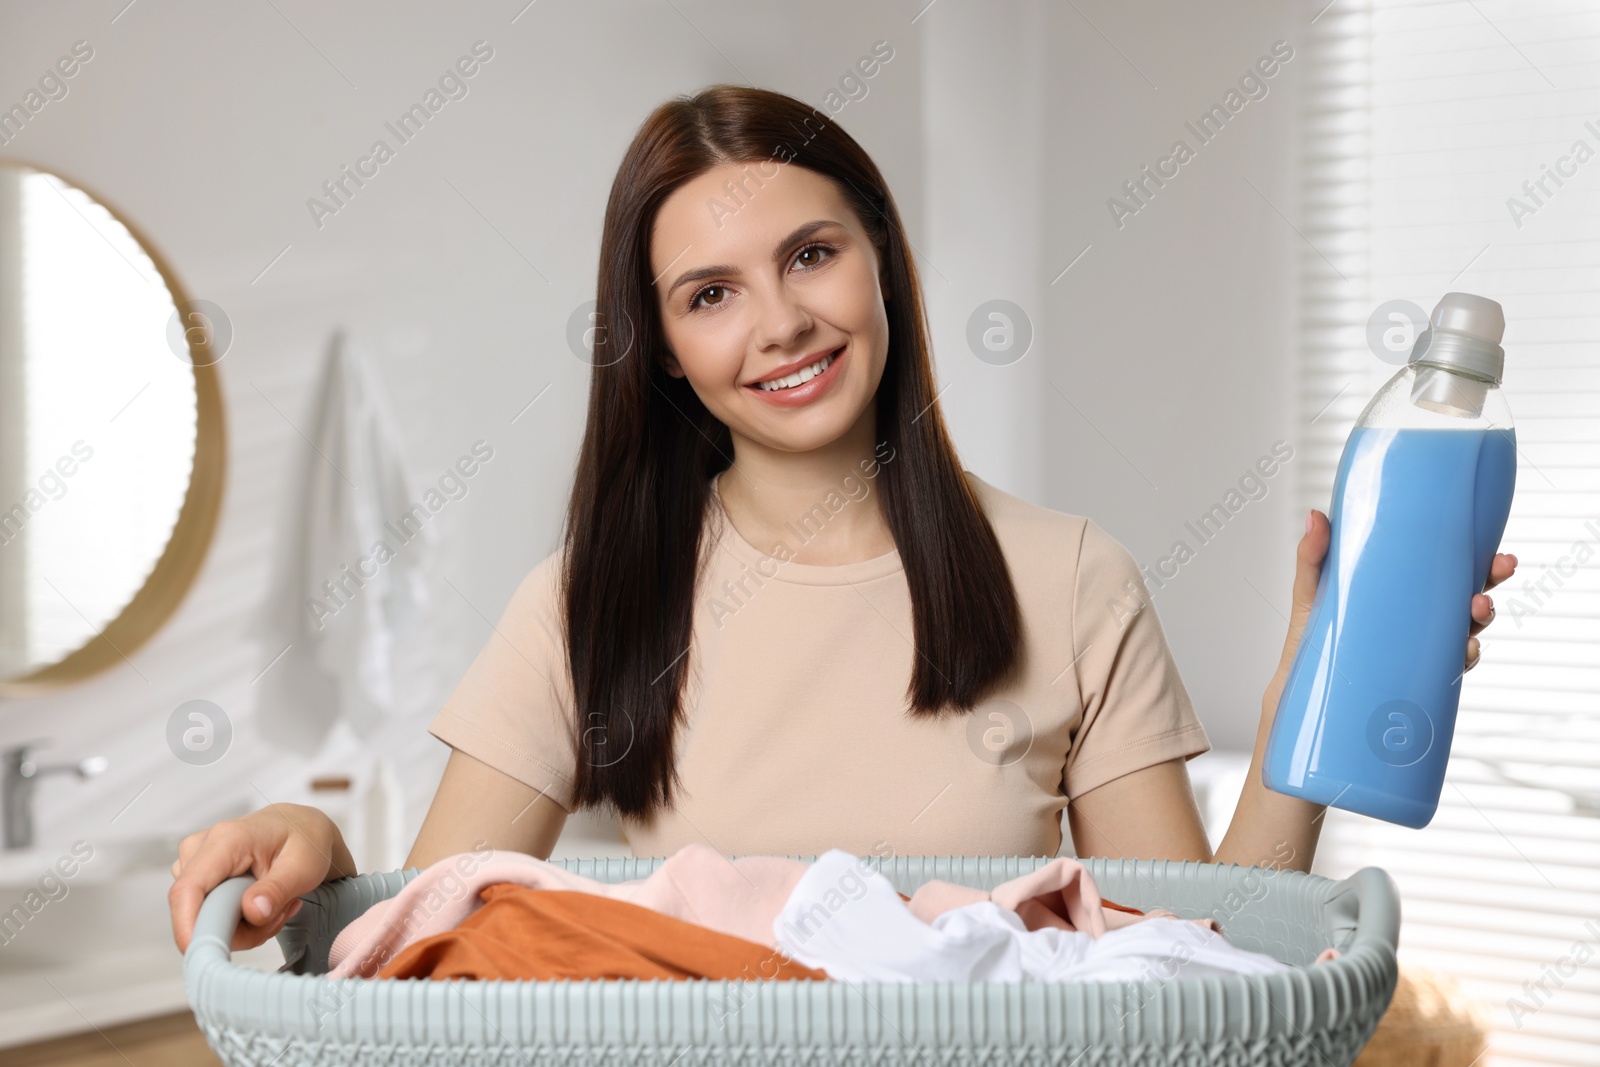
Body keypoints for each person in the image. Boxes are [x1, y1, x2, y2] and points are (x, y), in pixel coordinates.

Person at [168, 85, 1516, 953]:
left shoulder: (1071, 580)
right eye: (710, 294)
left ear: (882, 261)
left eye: (811, 254)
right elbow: (429, 937)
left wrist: (1307, 696)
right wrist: (322, 850)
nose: (783, 322)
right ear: (665, 350)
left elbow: (1198, 967)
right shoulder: (590, 605)